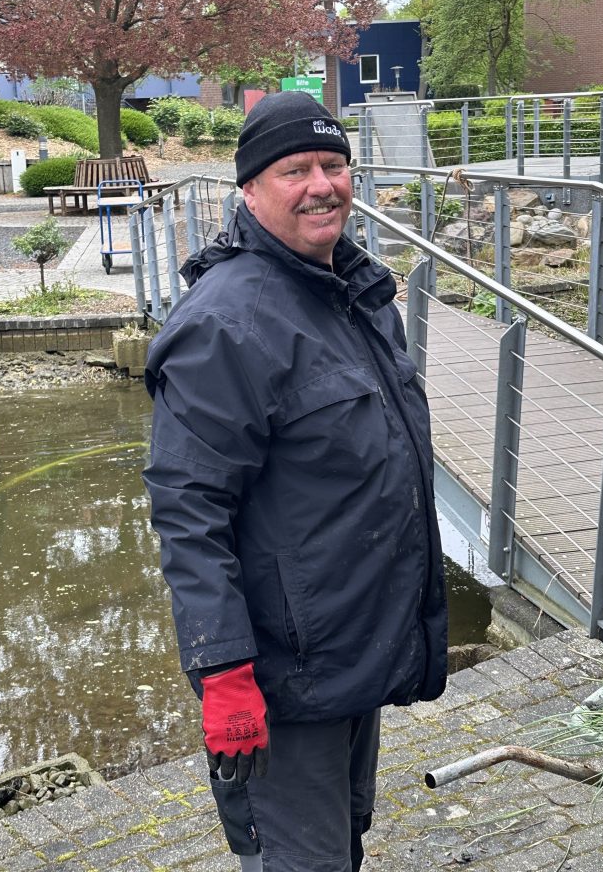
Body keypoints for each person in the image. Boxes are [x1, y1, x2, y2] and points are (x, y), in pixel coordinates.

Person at [143, 92, 447, 872]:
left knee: (340, 842)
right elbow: (189, 509)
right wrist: (223, 670)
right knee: (296, 859)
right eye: (294, 170)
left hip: (350, 649)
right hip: (281, 675)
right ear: (249, 190)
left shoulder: (351, 291)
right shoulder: (227, 323)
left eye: (333, 165)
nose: (322, 184)